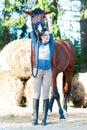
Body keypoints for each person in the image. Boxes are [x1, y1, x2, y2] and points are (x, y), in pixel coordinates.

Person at [29, 13, 54, 126]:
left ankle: (44, 118)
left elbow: (52, 31)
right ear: (41, 36)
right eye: (45, 35)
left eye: (48, 35)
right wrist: (30, 19)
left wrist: (48, 20)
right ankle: (35, 117)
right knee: (36, 94)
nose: (48, 37)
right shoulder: (36, 43)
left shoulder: (51, 44)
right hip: (37, 72)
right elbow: (31, 32)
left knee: (45, 94)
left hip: (47, 72)